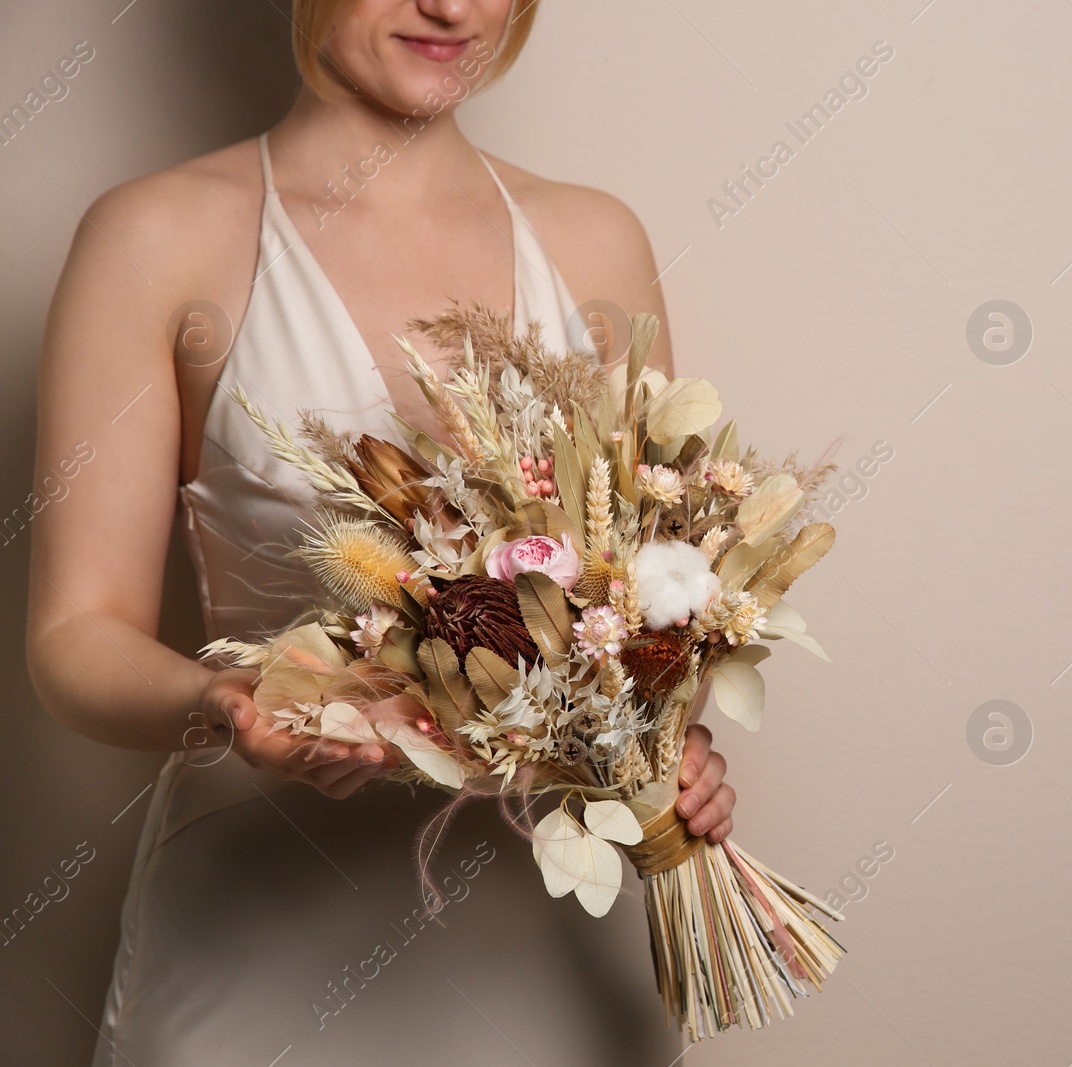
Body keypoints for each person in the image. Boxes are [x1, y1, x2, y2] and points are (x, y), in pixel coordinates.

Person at [26, 2, 738, 1063]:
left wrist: (674, 745)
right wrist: (223, 700)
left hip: (550, 932)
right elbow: (75, 631)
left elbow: (657, 586)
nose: (452, 6)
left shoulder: (597, 238)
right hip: (258, 930)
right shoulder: (155, 234)